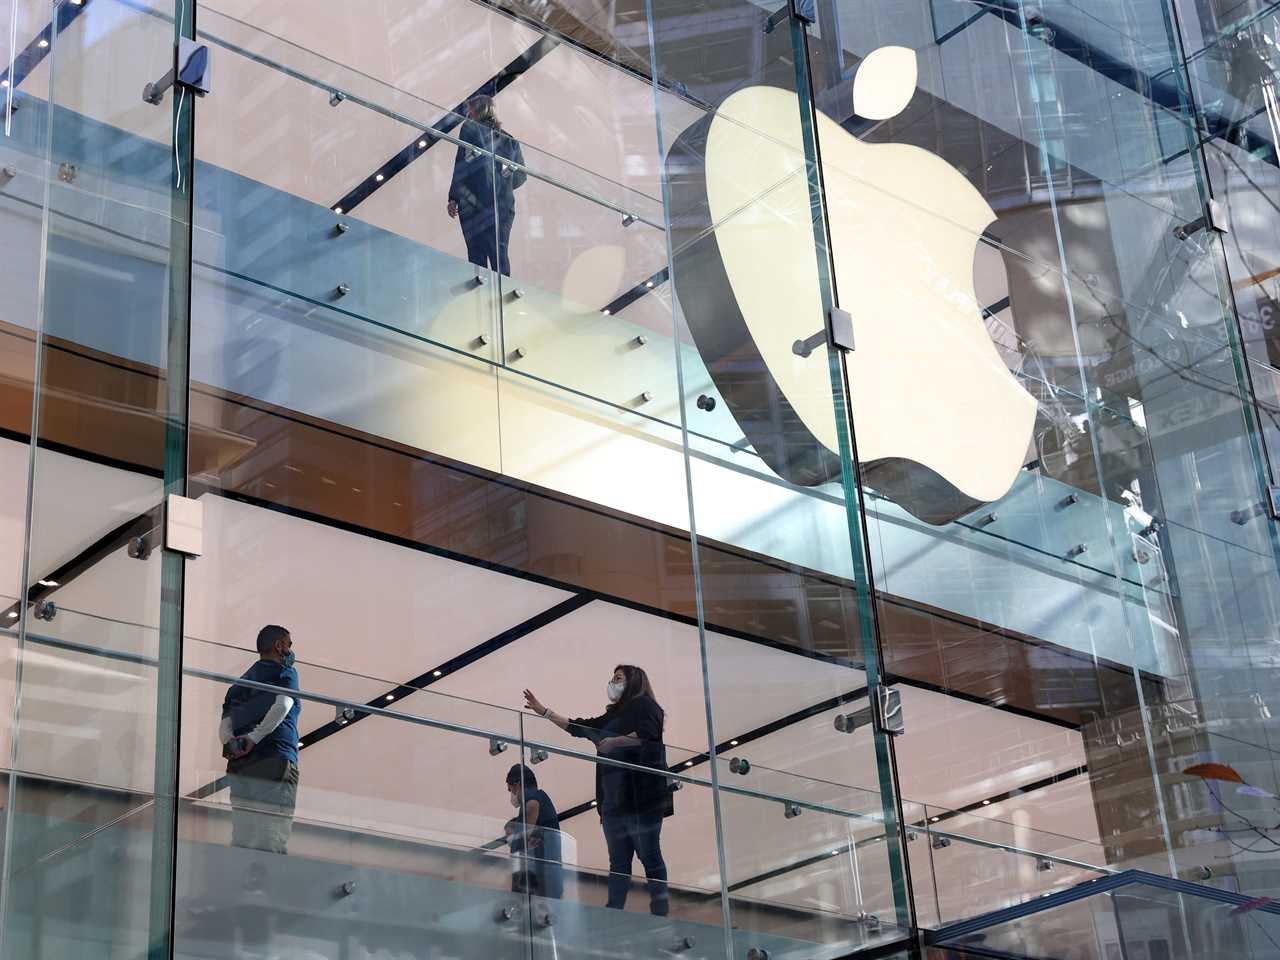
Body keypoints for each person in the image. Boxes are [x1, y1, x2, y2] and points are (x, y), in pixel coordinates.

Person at [524, 665, 672, 915]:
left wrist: (615, 741)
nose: (612, 683)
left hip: (640, 799)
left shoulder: (647, 707)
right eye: (612, 678)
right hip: (613, 802)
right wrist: (544, 711)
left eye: (618, 678)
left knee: (649, 854)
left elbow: (649, 737)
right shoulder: (613, 716)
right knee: (618, 861)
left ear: (634, 681)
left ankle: (660, 909)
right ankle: (614, 909)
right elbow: (579, 727)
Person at [219, 624, 301, 854]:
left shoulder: (238, 685)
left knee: (243, 833)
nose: (291, 651)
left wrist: (234, 746)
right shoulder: (285, 673)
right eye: (289, 645)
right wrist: (254, 738)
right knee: (272, 831)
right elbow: (283, 704)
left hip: (241, 765)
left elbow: (225, 727)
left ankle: (240, 882)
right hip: (275, 757)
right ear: (279, 646)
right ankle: (267, 886)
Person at [447, 93, 526, 276]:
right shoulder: (510, 141)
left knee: (476, 257)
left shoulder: (469, 129)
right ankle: (503, 300)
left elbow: (461, 164)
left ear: (476, 110)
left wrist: (453, 198)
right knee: (500, 256)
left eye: (470, 110)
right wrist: (502, 182)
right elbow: (521, 177)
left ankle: (480, 299)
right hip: (502, 206)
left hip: (473, 203)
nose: (468, 114)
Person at [505, 763, 564, 900]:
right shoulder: (541, 800)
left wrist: (520, 839)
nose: (512, 795)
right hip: (548, 879)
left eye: (510, 789)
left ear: (518, 784)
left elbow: (532, 807)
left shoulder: (532, 796)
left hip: (540, 879)